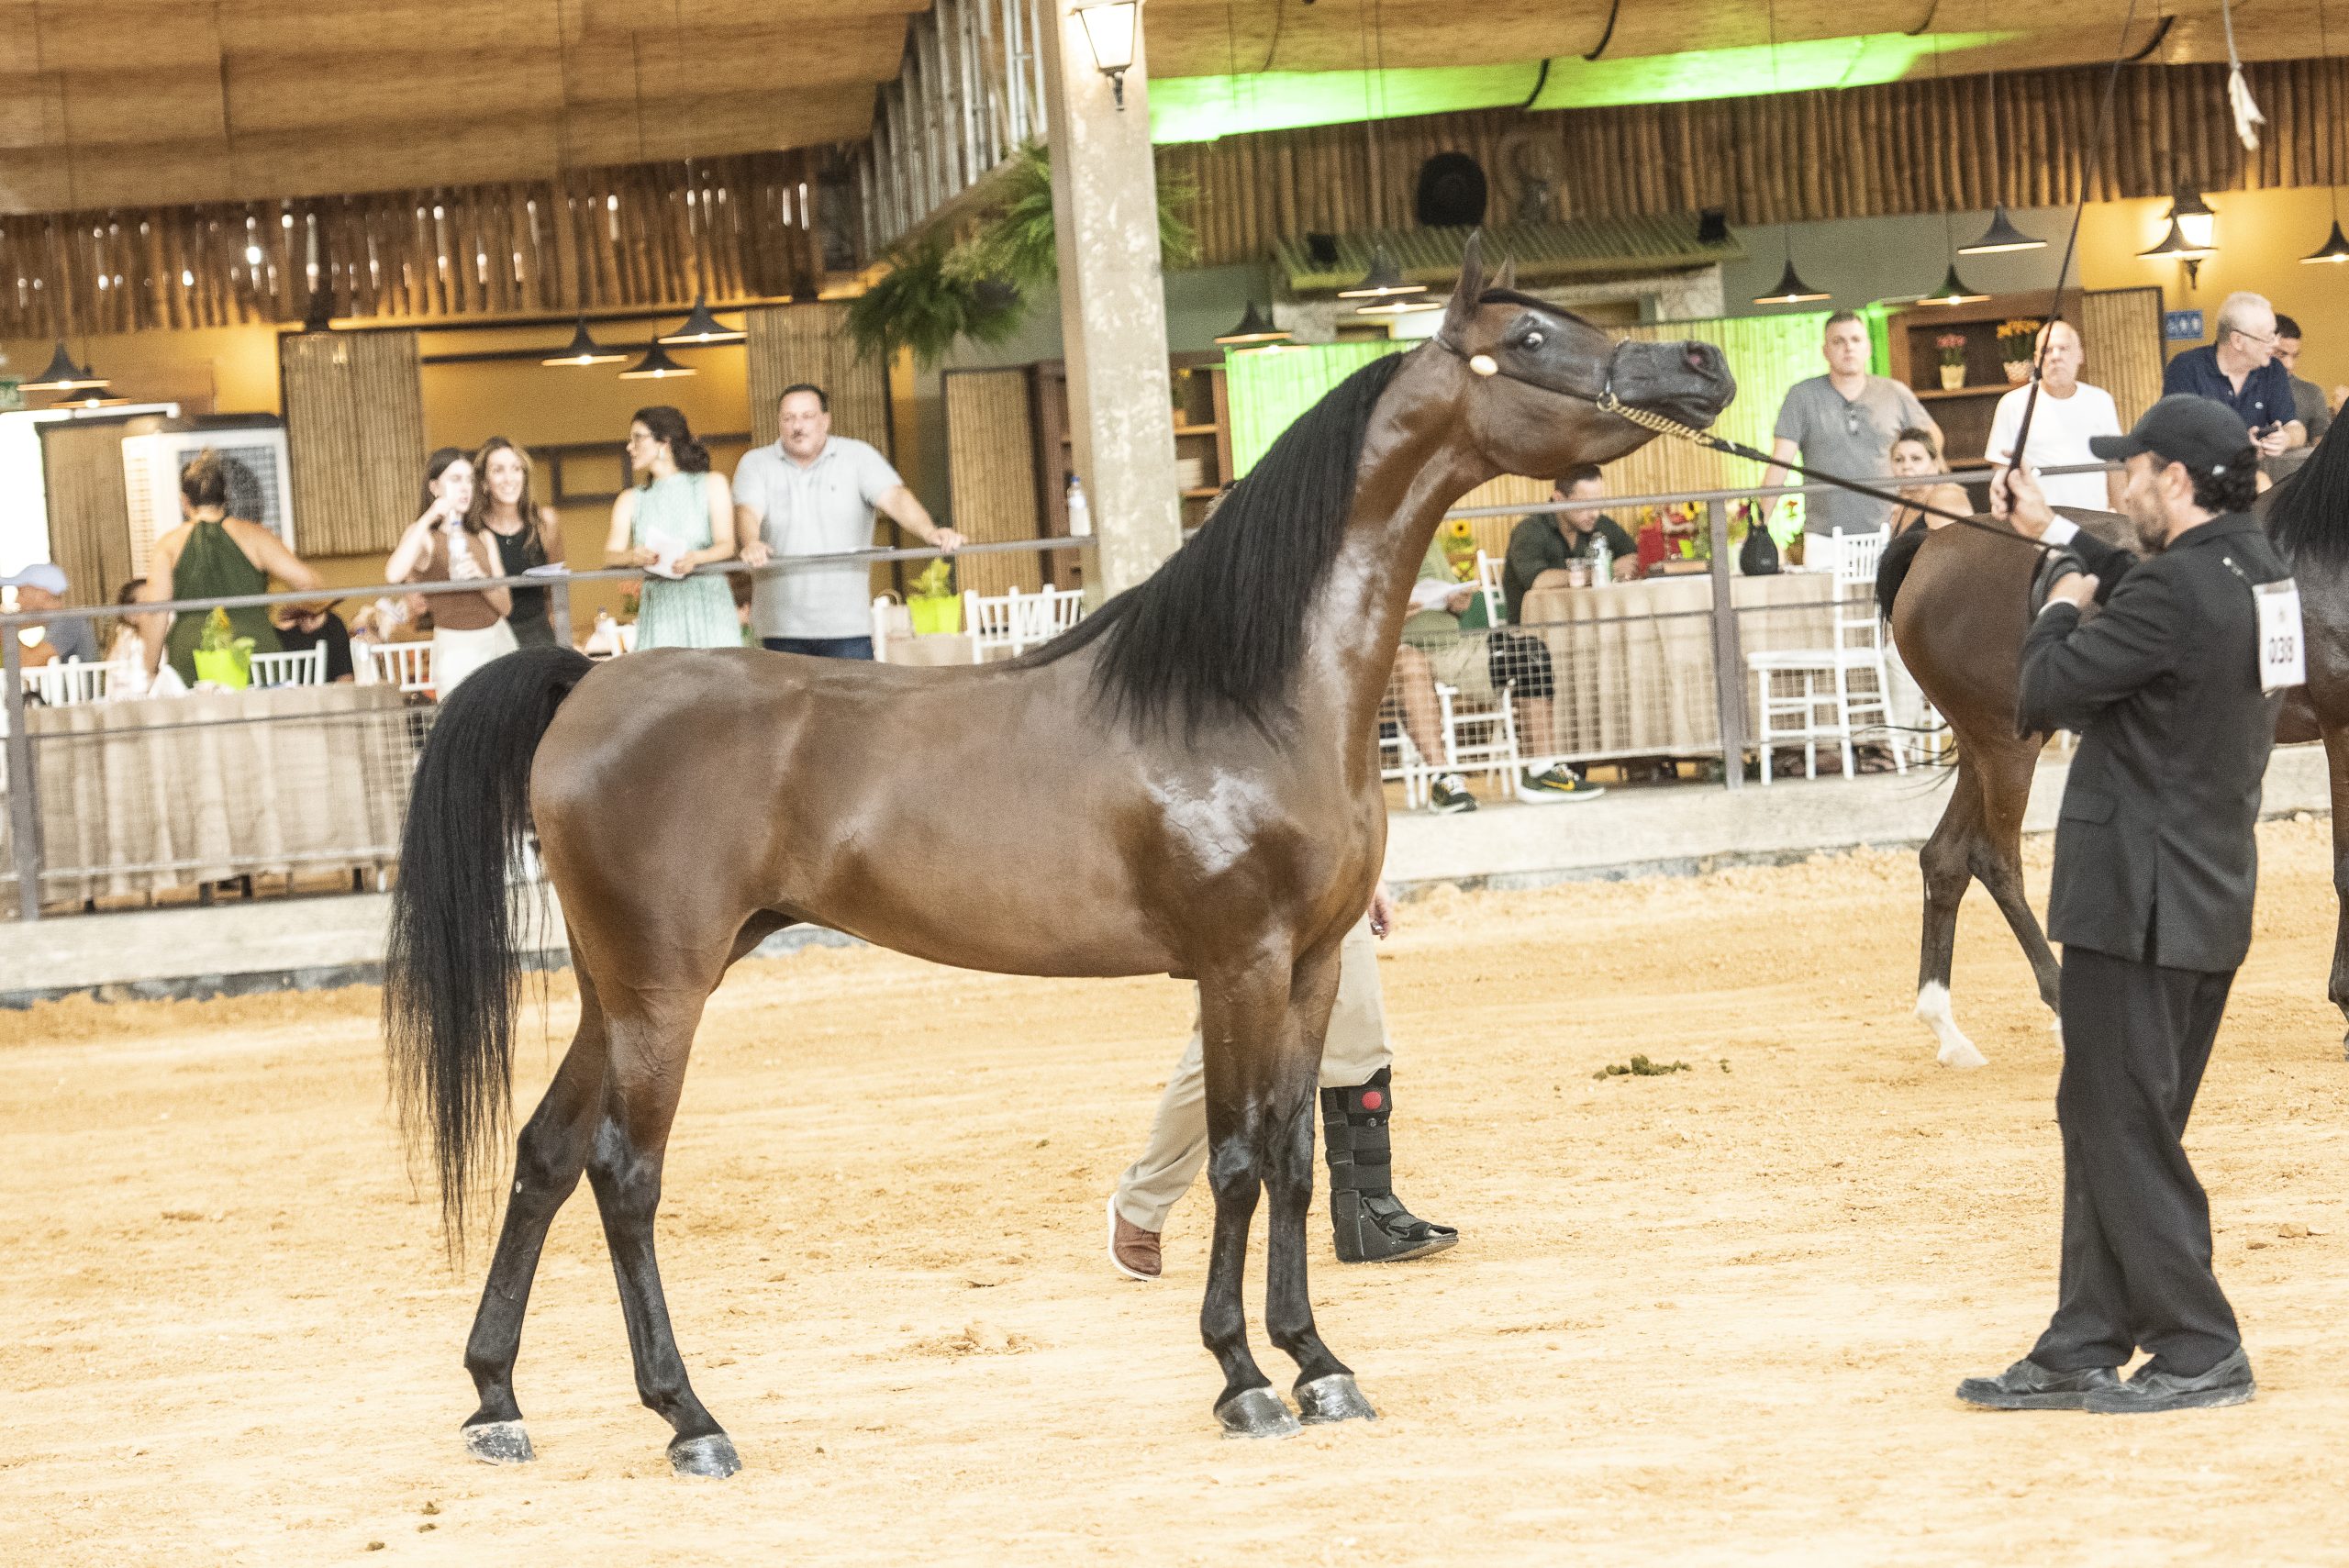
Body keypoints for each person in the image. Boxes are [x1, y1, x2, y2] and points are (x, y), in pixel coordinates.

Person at [1959, 395, 2279, 1415]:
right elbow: (2148, 587)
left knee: (2118, 1118)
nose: (2119, 484)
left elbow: (2041, 689)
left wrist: (2058, 590)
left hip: (2135, 896)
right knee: (2114, 1115)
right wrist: (2054, 536)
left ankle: (2198, 1341)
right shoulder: (2252, 572)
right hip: (2205, 885)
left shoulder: (2176, 594)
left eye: (2129, 469)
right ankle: (2081, 1339)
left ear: (2173, 481)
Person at [1108, 888, 1456, 1277]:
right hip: (1239, 871)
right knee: (1233, 1051)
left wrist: (1367, 871)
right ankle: (1142, 1204)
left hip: (1330, 867)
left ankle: (1366, 1211)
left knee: (1359, 1038)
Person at [734, 384, 962, 659]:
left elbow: (895, 498)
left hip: (846, 628)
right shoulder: (756, 463)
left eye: (807, 416)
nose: (798, 426)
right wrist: (752, 542)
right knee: (782, 704)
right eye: (789, 418)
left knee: (859, 704)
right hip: (780, 628)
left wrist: (930, 532)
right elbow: (748, 511)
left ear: (825, 420)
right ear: (779, 422)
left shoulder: (858, 456)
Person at [1395, 529, 1598, 812]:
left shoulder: (1428, 539)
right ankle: (1442, 778)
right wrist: (1393, 610)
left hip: (1452, 646)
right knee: (1410, 663)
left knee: (1530, 653)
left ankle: (1541, 771)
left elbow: (1452, 605)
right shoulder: (1365, 541)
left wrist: (1459, 602)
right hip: (1400, 650)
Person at [140, 450, 320, 687]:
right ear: (225, 496)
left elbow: (155, 612)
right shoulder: (255, 536)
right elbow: (310, 583)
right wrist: (297, 611)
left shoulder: (168, 545)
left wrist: (150, 670)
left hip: (192, 655)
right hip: (255, 654)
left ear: (185, 500)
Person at [1761, 311, 1940, 541]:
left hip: (1890, 531)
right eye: (1838, 341)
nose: (1848, 348)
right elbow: (1780, 462)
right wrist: (1761, 527)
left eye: (1856, 340)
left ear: (1868, 348)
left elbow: (1932, 440)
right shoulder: (1801, 396)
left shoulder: (1894, 393)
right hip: (1823, 536)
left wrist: (1923, 496)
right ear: (1825, 351)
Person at [607, 407, 740, 650]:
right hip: (660, 605)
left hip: (708, 600)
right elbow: (610, 555)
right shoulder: (631, 499)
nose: (629, 446)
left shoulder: (712, 484)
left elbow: (727, 544)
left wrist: (697, 557)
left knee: (718, 680)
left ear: (664, 442)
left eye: (637, 437)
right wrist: (633, 556)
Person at [388, 448, 516, 697]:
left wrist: (481, 580)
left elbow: (506, 606)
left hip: (499, 638)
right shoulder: (425, 536)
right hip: (456, 646)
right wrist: (429, 517)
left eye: (469, 480)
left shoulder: (483, 537)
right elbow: (393, 574)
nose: (465, 487)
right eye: (455, 480)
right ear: (434, 487)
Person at [1986, 320, 2125, 513]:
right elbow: (2001, 470)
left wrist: (2127, 523)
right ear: (2036, 359)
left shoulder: (2101, 400)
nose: (2056, 357)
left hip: (2095, 520)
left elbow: (2114, 465)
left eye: (2064, 348)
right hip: (2037, 522)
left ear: (2080, 355)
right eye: (2047, 350)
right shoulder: (2012, 404)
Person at [2162, 291, 2304, 461]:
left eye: (2275, 336)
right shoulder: (2186, 368)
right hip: (2197, 478)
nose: (2274, 344)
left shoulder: (2273, 370)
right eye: (2268, 337)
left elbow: (2296, 428)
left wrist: (2285, 439)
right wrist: (2237, 443)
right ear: (2237, 340)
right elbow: (2175, 435)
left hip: (2248, 478)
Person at [1500, 465, 1638, 621]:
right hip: (1532, 635)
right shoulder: (1530, 530)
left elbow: (1634, 557)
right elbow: (1538, 581)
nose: (1594, 513)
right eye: (1584, 505)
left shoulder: (1600, 525)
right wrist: (1604, 571)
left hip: (1590, 624)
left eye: (1598, 504)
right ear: (1559, 499)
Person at [473, 437, 567, 648]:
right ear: (484, 482)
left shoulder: (545, 522)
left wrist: (563, 641)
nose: (509, 478)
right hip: (490, 638)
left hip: (538, 635)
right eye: (498, 470)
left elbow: (557, 587)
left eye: (516, 469)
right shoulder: (474, 530)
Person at [0, 562, 98, 664]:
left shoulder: (70, 621)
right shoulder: (56, 619)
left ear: (42, 593)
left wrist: (4, 631)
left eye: (21, 592)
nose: (17, 600)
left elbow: (29, 662)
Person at [1887, 428, 1973, 534]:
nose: (1906, 466)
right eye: (1898, 459)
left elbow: (1949, 548)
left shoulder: (1946, 496)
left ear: (1935, 464)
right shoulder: (1903, 504)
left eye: (1916, 459)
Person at [271, 601, 356, 682]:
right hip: (284, 694)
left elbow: (346, 676)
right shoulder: (278, 634)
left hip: (326, 693)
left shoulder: (332, 625)